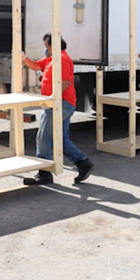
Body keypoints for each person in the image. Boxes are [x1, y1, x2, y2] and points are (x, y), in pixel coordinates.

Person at [21, 34, 94, 185]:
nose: (45, 49)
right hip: (58, 103)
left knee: (44, 138)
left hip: (60, 104)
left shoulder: (62, 59)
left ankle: (44, 174)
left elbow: (65, 82)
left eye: (46, 46)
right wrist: (23, 58)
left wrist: (53, 98)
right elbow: (35, 65)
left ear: (52, 46)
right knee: (59, 138)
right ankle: (83, 163)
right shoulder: (52, 58)